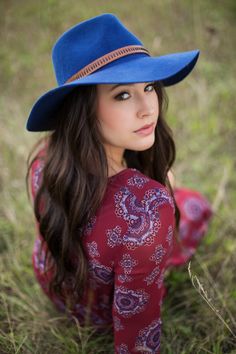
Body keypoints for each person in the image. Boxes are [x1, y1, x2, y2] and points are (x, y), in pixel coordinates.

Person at [26, 13, 212, 354]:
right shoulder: (149, 208)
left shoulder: (48, 155)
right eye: (122, 95)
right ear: (81, 108)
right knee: (196, 206)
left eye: (149, 87)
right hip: (102, 315)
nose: (147, 109)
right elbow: (137, 336)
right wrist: (162, 197)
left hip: (60, 290)